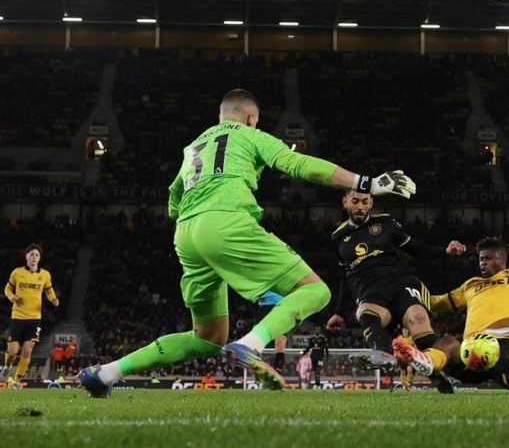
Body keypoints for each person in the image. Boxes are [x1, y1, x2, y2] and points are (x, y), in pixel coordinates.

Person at [79, 89, 417, 397]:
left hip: (187, 234)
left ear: (221, 117)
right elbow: (297, 164)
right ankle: (251, 344)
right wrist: (367, 183)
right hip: (226, 222)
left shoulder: (193, 146)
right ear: (252, 118)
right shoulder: (250, 135)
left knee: (206, 339)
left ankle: (105, 374)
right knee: (316, 292)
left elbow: (173, 201)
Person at [396, 187, 509, 393]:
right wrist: (410, 291)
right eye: (480, 259)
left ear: (503, 259)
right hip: (471, 349)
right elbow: (436, 302)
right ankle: (427, 361)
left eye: (488, 258)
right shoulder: (471, 285)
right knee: (448, 342)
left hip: (504, 345)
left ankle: (506, 377)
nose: (482, 263)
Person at [326, 190, 465, 391]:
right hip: (370, 292)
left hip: (400, 284)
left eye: (365, 201)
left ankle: (443, 370)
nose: (360, 206)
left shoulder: (386, 223)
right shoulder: (337, 237)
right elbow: (344, 276)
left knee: (424, 336)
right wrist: (339, 311)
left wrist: (445, 251)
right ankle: (385, 355)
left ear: (371, 203)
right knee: (367, 315)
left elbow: (416, 249)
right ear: (345, 202)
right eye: (355, 201)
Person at [1, 243, 60, 382]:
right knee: (13, 351)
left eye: (37, 255)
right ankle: (7, 366)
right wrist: (11, 297)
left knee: (27, 350)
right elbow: (7, 289)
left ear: (39, 258)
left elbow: (49, 290)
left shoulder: (45, 275)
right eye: (32, 254)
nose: (34, 257)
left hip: (34, 318)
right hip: (18, 316)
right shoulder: (17, 273)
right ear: (26, 256)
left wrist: (53, 299)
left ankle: (16, 382)